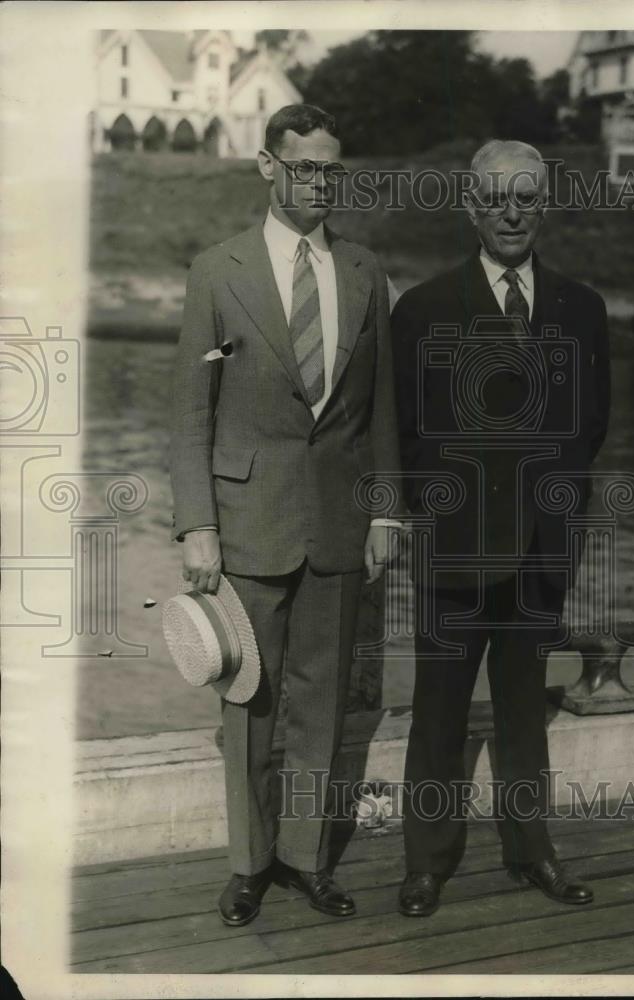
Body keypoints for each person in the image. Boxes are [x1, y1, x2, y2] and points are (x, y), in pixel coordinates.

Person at [169, 104, 402, 927]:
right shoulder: (217, 271)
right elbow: (192, 414)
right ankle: (248, 864)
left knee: (323, 700)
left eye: (333, 169)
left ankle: (305, 858)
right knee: (248, 703)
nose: (321, 182)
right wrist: (196, 524)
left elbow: (380, 417)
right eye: (305, 167)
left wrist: (385, 517)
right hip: (245, 527)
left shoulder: (367, 273)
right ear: (269, 167)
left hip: (339, 526)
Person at [390, 139, 611, 916]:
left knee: (524, 711)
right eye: (495, 198)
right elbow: (407, 437)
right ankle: (426, 862)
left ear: (543, 203)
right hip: (453, 554)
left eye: (526, 196)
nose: (512, 211)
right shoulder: (422, 309)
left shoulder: (582, 307)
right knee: (438, 712)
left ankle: (532, 852)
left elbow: (591, 426)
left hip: (543, 554)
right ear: (471, 207)